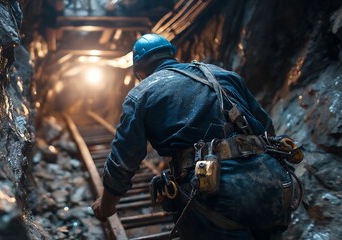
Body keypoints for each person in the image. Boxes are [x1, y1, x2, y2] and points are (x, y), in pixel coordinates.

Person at [92, 33, 303, 239]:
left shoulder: (141, 94)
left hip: (216, 193)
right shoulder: (222, 75)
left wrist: (107, 205)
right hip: (271, 182)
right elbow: (265, 127)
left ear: (139, 71)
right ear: (172, 55)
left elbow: (124, 159)